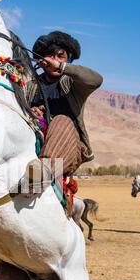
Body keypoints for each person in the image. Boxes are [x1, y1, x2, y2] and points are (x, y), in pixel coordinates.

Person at [28, 31, 103, 178]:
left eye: (60, 56)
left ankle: (40, 176)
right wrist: (30, 112)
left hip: (70, 148)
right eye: (50, 56)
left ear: (68, 59)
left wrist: (61, 67)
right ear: (42, 60)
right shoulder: (31, 85)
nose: (55, 60)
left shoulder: (73, 83)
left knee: (61, 120)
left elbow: (96, 80)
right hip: (35, 145)